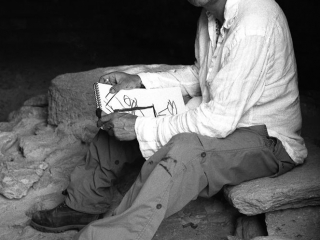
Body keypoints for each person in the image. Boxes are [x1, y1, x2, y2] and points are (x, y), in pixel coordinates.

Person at [30, 0, 308, 239]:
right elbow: (201, 76)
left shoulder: (254, 24)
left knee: (184, 153)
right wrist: (140, 82)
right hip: (224, 115)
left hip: (265, 138)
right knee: (123, 113)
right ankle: (83, 204)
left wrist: (140, 128)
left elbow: (218, 121)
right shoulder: (211, 13)